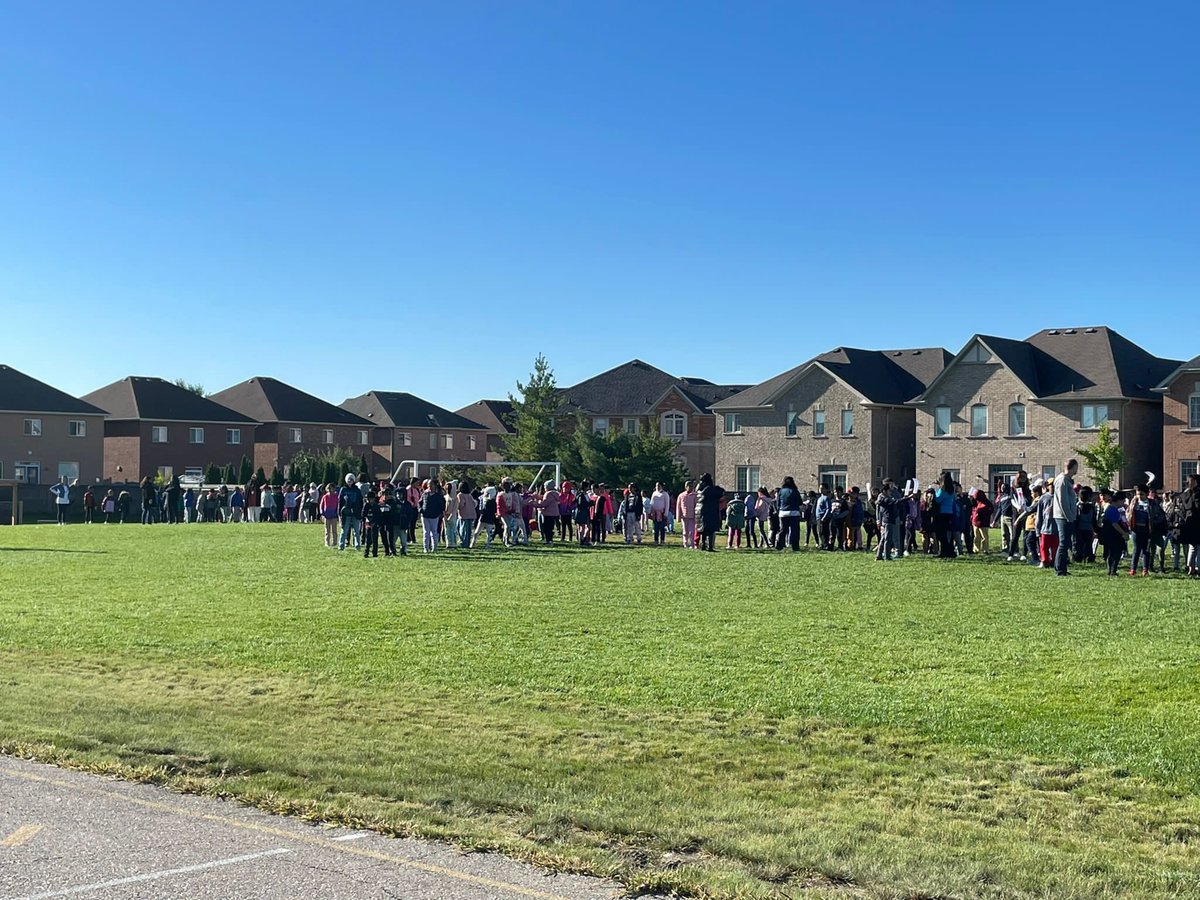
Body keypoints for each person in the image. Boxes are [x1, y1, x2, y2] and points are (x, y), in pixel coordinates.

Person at [1051, 459, 1079, 576]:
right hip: (1063, 517)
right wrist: (1069, 516)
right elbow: (1063, 501)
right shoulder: (1062, 480)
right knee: (1063, 543)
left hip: (1066, 516)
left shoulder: (1067, 480)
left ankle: (1062, 567)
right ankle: (1059, 569)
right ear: (1073, 467)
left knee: (1066, 543)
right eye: (1077, 467)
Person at [1098, 487, 1128, 576]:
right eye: (1123, 501)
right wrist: (1123, 533)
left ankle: (1110, 570)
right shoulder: (1113, 510)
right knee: (1116, 552)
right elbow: (1115, 524)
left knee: (1110, 553)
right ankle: (1113, 570)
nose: (1123, 503)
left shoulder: (1109, 508)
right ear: (1118, 500)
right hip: (1113, 534)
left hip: (1107, 534)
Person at [694, 473, 724, 552]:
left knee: (703, 530)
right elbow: (721, 492)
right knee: (710, 529)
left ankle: (703, 545)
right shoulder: (710, 489)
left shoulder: (699, 488)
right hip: (709, 511)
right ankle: (710, 546)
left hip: (699, 510)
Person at [337, 474, 363, 551]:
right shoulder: (343, 490)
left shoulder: (357, 490)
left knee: (356, 531)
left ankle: (357, 545)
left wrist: (359, 511)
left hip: (355, 513)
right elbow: (340, 502)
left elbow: (360, 502)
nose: (350, 481)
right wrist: (339, 513)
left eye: (351, 479)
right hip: (346, 513)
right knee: (344, 530)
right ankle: (341, 545)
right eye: (348, 479)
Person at [933, 473, 956, 558]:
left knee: (941, 534)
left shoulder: (943, 490)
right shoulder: (952, 490)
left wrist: (936, 490)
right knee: (949, 534)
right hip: (950, 513)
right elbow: (954, 499)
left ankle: (944, 551)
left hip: (942, 514)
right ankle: (950, 551)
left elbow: (938, 500)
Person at [420, 479, 446, 553]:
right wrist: (420, 509)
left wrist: (438, 513)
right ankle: (426, 548)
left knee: (434, 532)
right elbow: (420, 502)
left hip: (434, 516)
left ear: (435, 485)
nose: (429, 486)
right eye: (428, 484)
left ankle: (434, 547)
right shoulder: (425, 494)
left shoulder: (438, 496)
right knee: (426, 532)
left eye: (431, 484)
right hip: (425, 515)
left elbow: (442, 505)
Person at [776, 476, 802, 551]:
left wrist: (779, 511)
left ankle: (779, 545)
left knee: (783, 530)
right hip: (794, 512)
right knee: (795, 531)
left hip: (783, 513)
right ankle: (795, 547)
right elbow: (799, 502)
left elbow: (778, 502)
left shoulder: (781, 491)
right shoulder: (795, 491)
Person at [457, 481, 478, 548]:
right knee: (468, 531)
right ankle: (467, 543)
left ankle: (463, 543)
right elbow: (474, 504)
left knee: (462, 530)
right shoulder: (469, 495)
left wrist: (457, 507)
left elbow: (461, 504)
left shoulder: (460, 495)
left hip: (464, 515)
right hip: (471, 514)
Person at [676, 481, 697, 549]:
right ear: (685, 487)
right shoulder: (681, 495)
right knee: (685, 531)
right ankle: (685, 543)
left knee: (692, 531)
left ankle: (692, 544)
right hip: (684, 516)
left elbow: (696, 506)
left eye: (691, 486)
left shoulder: (695, 495)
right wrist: (678, 517)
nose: (690, 488)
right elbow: (678, 506)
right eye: (689, 486)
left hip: (692, 516)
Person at [361, 492, 381, 558]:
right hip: (368, 523)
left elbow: (379, 516)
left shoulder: (376, 506)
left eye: (370, 499)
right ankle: (366, 552)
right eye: (368, 499)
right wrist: (365, 519)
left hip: (375, 523)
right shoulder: (366, 505)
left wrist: (377, 523)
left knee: (375, 539)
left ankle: (375, 553)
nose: (369, 500)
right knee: (368, 539)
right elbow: (363, 515)